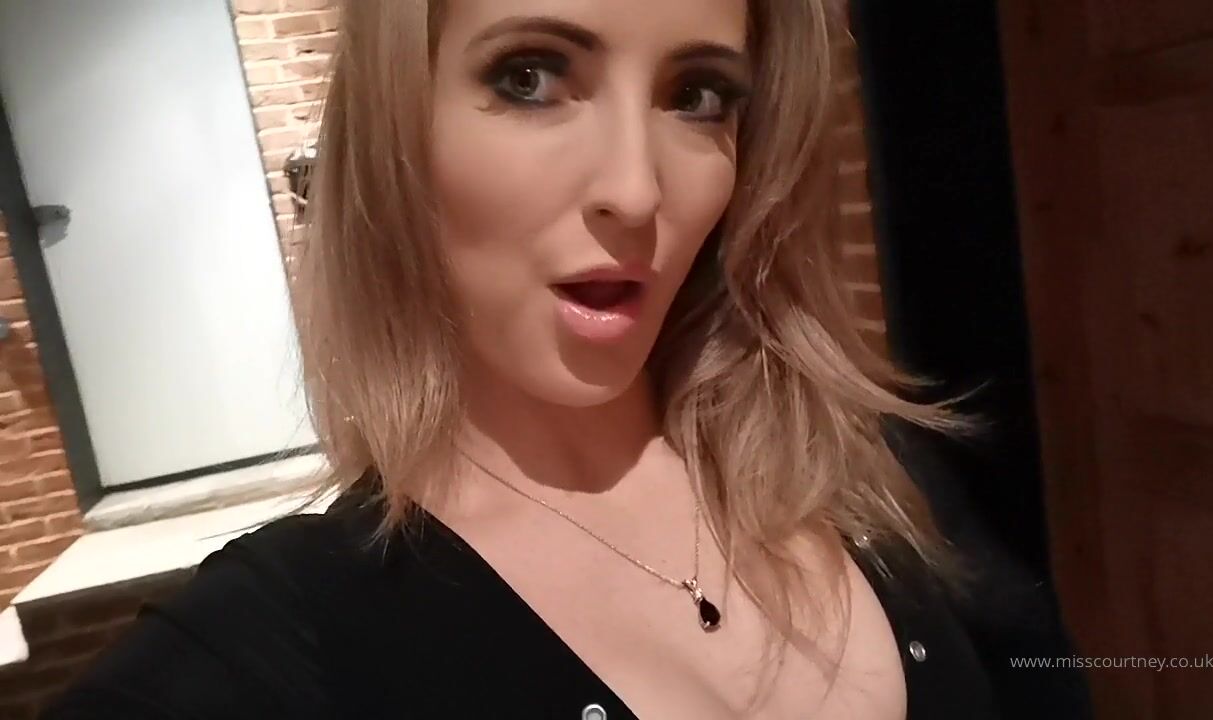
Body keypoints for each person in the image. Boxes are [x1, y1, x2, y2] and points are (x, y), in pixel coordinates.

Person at [43, 1, 1090, 718]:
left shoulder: (870, 475)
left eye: (698, 95)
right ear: (397, 129)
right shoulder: (283, 640)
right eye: (530, 76)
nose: (635, 190)